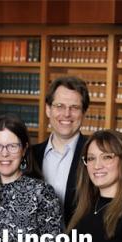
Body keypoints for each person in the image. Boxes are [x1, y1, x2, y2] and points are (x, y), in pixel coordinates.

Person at [33, 76, 89, 227]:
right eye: (59, 106)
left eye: (75, 107)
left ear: (83, 112)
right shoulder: (30, 156)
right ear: (48, 109)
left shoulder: (94, 157)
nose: (66, 114)